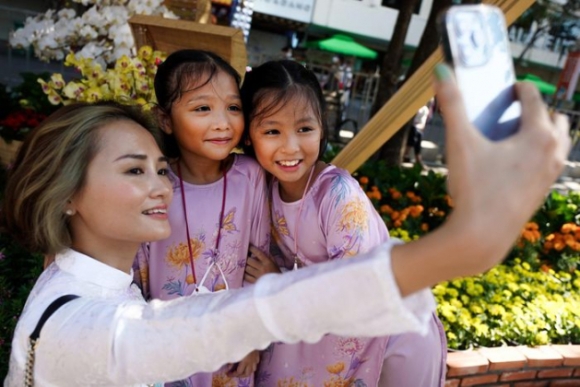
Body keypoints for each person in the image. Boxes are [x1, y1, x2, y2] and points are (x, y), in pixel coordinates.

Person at [2, 62, 570, 386]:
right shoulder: (78, 324)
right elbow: (214, 325)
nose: (160, 185)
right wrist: (461, 244)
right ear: (67, 195)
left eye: (158, 168)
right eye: (135, 170)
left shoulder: (82, 287)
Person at [240, 60, 446, 387]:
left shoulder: (337, 195)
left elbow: (354, 292)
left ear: (322, 126)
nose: (291, 146)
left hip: (393, 339)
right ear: (248, 135)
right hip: (323, 338)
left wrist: (276, 283)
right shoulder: (260, 186)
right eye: (272, 131)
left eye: (304, 129)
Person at [133, 50, 270, 386]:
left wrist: (252, 339)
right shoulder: (157, 185)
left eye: (233, 107)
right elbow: (137, 269)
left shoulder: (249, 177)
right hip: (166, 346)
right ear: (165, 119)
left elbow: (259, 261)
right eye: (202, 108)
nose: (223, 122)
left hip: (232, 351)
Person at [405, 98, 434, 168]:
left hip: (418, 129)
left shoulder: (425, 109)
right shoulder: (418, 107)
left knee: (416, 141)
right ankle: (409, 155)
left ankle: (412, 157)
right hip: (414, 128)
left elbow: (423, 122)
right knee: (413, 139)